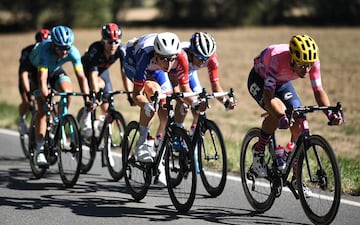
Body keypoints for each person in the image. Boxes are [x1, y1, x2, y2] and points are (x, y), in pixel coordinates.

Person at [247, 34, 343, 191]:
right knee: (275, 114)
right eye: (302, 65)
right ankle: (258, 152)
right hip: (259, 79)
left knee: (299, 118)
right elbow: (269, 95)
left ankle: (295, 177)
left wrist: (330, 114)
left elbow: (318, 91)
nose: (306, 70)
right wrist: (280, 116)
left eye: (309, 65)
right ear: (292, 59)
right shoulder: (276, 57)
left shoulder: (312, 62)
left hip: (283, 82)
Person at [124, 32, 198, 163]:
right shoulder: (145, 54)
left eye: (171, 59)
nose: (168, 64)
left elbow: (185, 90)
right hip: (133, 62)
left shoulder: (181, 56)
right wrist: (146, 105)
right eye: (164, 58)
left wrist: (196, 103)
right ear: (156, 54)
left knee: (165, 106)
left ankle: (159, 151)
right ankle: (141, 144)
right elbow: (136, 94)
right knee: (153, 92)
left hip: (156, 69)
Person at [29, 25, 90, 166]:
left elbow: (81, 77)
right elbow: (43, 81)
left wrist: (87, 99)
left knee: (67, 91)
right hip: (37, 71)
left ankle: (60, 118)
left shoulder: (72, 51)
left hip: (55, 69)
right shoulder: (45, 50)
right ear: (53, 45)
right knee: (43, 108)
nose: (64, 51)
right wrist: (46, 99)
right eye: (61, 48)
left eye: (67, 48)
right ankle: (39, 149)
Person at [174, 32, 236, 133]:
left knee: (199, 102)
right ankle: (176, 131)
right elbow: (181, 89)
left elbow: (215, 87)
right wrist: (183, 100)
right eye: (200, 58)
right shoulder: (181, 55)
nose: (203, 61)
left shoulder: (211, 58)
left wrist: (226, 101)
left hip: (190, 73)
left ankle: (193, 135)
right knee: (182, 101)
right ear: (191, 52)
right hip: (174, 73)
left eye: (206, 58)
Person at [80, 22, 133, 137]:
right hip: (87, 71)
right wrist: (95, 94)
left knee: (107, 104)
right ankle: (86, 115)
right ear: (103, 41)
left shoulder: (121, 50)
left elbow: (124, 73)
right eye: (110, 42)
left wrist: (129, 94)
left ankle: (102, 130)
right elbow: (93, 75)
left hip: (103, 71)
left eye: (116, 42)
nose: (113, 45)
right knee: (98, 88)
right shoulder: (95, 49)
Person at [18, 29, 51, 135]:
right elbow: (24, 73)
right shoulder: (28, 51)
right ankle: (22, 120)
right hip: (28, 77)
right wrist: (28, 92)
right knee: (27, 101)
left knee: (49, 100)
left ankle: (49, 126)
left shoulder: (50, 51)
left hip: (41, 77)